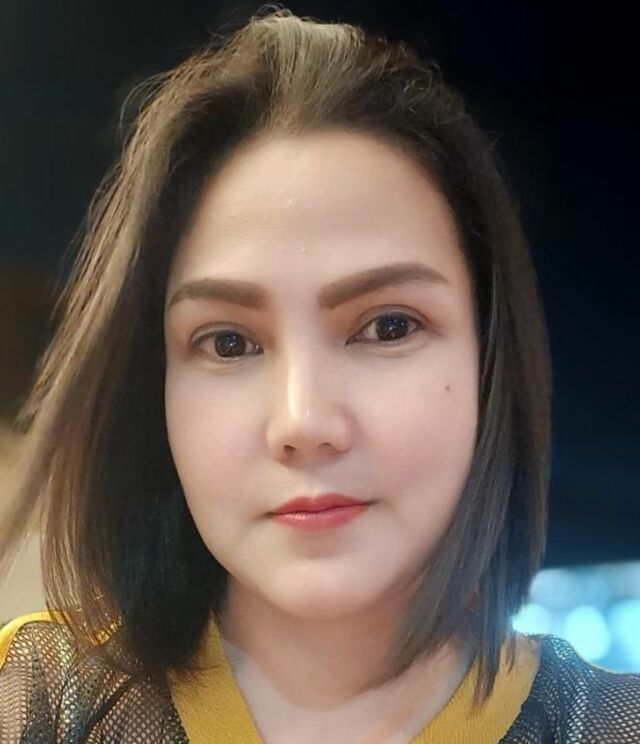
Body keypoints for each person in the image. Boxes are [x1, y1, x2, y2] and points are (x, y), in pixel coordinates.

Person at [0, 5, 638, 742]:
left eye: (388, 326)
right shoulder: (36, 705)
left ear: (491, 363)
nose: (303, 421)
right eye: (228, 343)